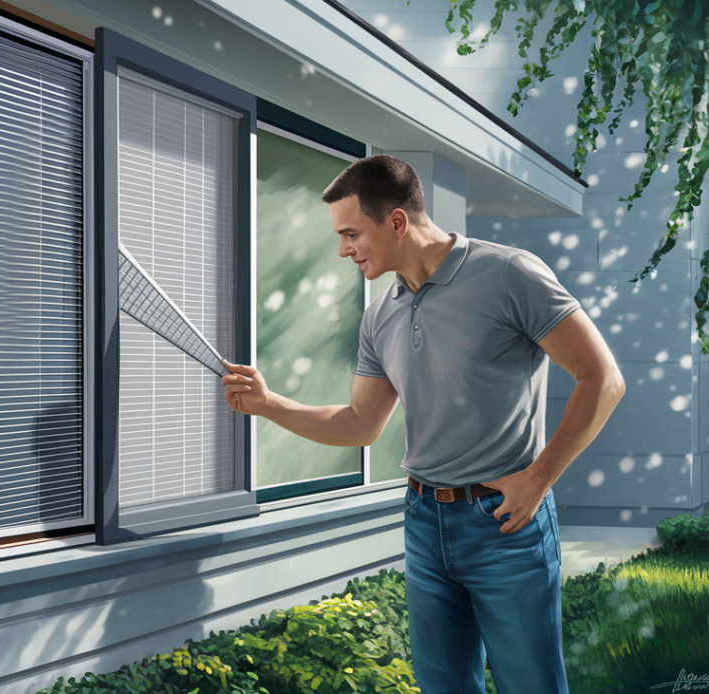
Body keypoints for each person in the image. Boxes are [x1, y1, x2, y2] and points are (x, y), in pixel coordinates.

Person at [221, 155, 625, 694]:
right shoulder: (379, 314)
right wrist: (270, 405)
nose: (343, 250)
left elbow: (602, 377)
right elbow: (361, 423)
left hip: (504, 521)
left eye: (351, 234)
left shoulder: (509, 273)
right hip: (423, 522)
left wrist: (539, 478)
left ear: (395, 221)